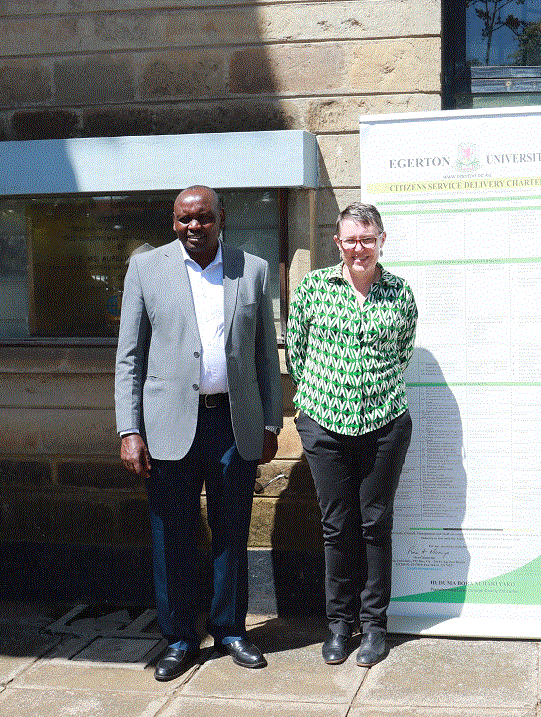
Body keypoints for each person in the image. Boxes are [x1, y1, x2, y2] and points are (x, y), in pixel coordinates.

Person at [115, 185, 283, 681]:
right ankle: (179, 638)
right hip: (167, 425)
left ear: (221, 218)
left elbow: (265, 355)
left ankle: (230, 629)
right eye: (184, 219)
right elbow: (129, 357)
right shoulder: (145, 270)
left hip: (232, 422)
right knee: (172, 534)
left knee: (233, 531)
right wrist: (130, 429)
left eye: (204, 218)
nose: (194, 227)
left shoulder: (252, 269)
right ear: (173, 222)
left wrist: (271, 421)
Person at [287, 202, 417, 668]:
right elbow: (297, 354)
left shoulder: (400, 293)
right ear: (337, 242)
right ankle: (340, 626)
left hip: (384, 424)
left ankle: (375, 626)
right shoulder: (313, 288)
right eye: (350, 240)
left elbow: (401, 352)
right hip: (324, 423)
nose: (359, 248)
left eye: (367, 239)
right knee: (336, 526)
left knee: (375, 524)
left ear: (382, 240)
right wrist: (315, 405)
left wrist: (370, 393)